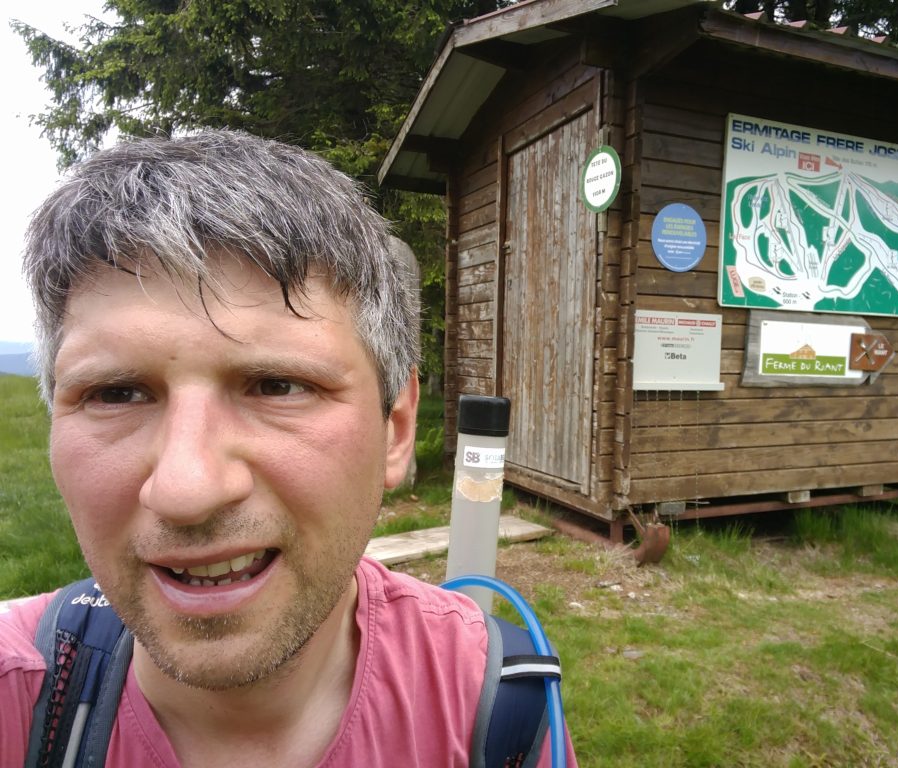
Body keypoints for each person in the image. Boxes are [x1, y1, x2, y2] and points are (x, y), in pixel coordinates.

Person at [0, 131, 576, 767]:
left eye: (278, 386)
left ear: (396, 428)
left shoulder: (499, 703)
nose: (186, 488)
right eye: (116, 393)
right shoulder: (16, 693)